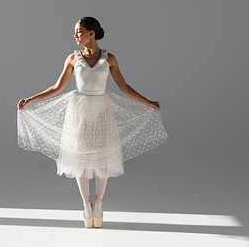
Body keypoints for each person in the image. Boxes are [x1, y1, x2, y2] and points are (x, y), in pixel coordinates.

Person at [17, 17, 168, 228]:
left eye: (79, 31)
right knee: (79, 157)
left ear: (91, 33)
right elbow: (57, 87)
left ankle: (99, 202)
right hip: (78, 111)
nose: (75, 35)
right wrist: (31, 99)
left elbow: (124, 87)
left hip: (102, 110)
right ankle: (86, 204)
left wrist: (148, 102)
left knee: (102, 156)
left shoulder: (109, 58)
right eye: (75, 31)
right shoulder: (72, 58)